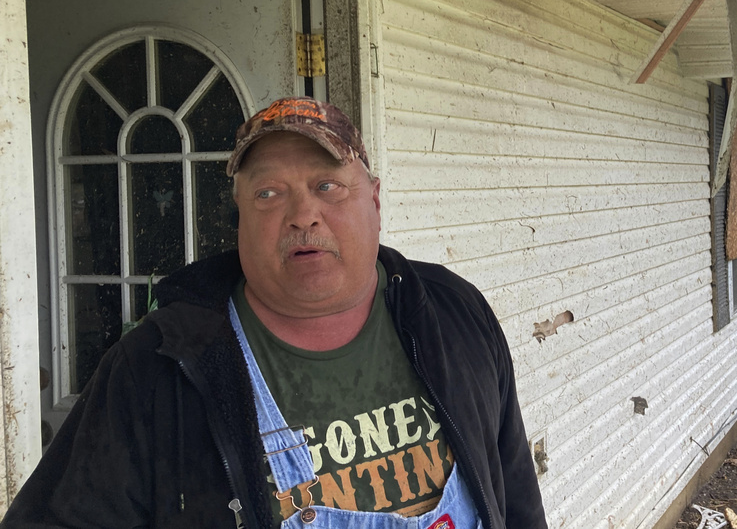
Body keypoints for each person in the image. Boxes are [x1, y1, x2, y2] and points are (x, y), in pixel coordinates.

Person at [4, 97, 546, 529]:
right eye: (267, 193)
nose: (302, 214)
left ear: (375, 201)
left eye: (327, 185)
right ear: (238, 216)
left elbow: (515, 489)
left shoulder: (453, 310)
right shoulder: (154, 368)